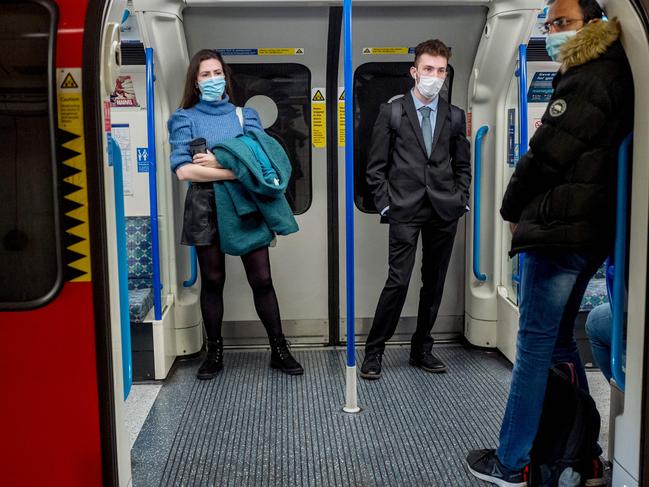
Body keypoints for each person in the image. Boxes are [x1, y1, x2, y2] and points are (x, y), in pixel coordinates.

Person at [466, 1, 634, 485]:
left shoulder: (589, 76)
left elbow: (546, 154)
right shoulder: (616, 73)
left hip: (559, 232)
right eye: (550, 24)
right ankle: (579, 449)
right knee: (560, 343)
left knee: (534, 347)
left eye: (563, 22)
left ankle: (512, 461)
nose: (554, 31)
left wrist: (510, 209)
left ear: (595, 23)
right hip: (587, 232)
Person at [168, 49, 303, 379]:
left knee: (262, 279)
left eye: (217, 73)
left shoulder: (246, 117)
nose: (213, 80)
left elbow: (263, 166)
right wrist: (237, 168)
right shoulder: (184, 118)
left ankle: (279, 349)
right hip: (205, 207)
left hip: (245, 205)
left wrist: (217, 162)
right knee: (213, 281)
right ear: (195, 83)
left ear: (226, 77)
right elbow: (185, 172)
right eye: (205, 75)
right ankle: (214, 352)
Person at [360, 39, 471, 380]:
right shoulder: (392, 111)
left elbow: (463, 165)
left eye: (440, 71)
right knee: (398, 281)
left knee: (433, 283)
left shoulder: (453, 117)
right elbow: (375, 166)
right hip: (404, 209)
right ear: (414, 71)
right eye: (428, 69)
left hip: (444, 210)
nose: (434, 77)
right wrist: (385, 204)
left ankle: (422, 347)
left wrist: (460, 198)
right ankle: (374, 351)